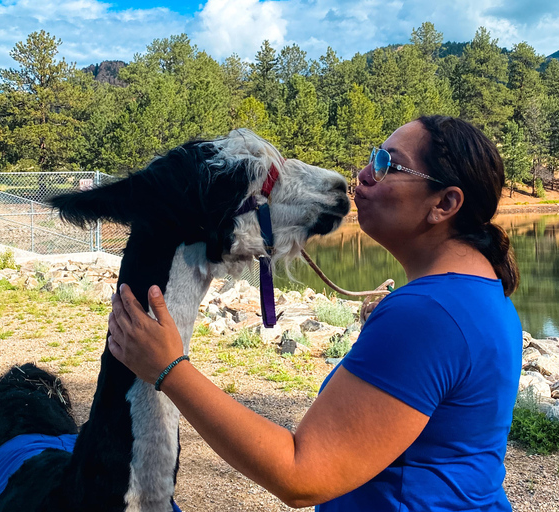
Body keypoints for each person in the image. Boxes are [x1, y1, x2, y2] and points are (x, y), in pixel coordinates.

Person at [108, 115, 523, 511]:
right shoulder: (483, 294)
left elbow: (302, 473)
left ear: (445, 204)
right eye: (373, 156)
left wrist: (168, 369)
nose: (362, 173)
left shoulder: (430, 315)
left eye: (387, 164)